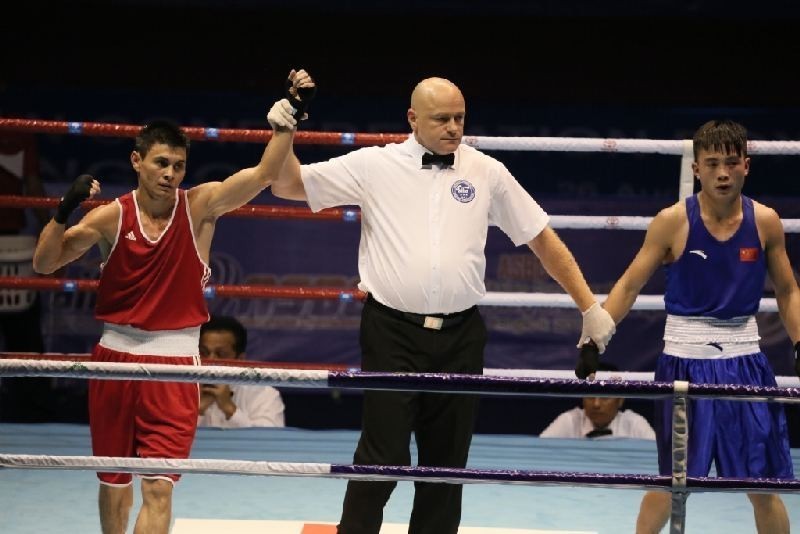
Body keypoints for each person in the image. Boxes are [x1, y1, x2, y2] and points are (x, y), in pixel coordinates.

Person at [271, 76, 616, 534]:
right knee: (382, 457)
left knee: (446, 466)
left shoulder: (486, 171)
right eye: (442, 119)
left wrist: (589, 306)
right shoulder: (375, 165)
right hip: (392, 333)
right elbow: (287, 184)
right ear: (412, 119)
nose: (454, 128)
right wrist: (286, 129)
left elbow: (541, 239)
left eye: (460, 118)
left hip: (460, 336)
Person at [31, 69, 314, 534]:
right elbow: (45, 264)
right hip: (114, 359)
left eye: (178, 166)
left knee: (159, 487)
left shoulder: (201, 205)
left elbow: (264, 174)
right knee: (114, 480)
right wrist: (63, 212)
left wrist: (289, 117)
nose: (170, 173)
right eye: (161, 163)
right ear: (137, 161)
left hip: (176, 361)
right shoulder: (110, 218)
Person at [598, 119, 799, 534]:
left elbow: (787, 290)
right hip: (684, 364)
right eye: (712, 164)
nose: (722, 173)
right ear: (696, 169)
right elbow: (630, 284)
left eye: (731, 162)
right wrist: (593, 338)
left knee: (763, 484)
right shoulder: (672, 222)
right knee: (673, 483)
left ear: (746, 165)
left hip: (745, 362)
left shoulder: (765, 222)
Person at [198, 315, 285, 428]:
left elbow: (270, 438)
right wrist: (198, 410)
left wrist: (230, 409)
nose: (210, 361)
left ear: (240, 359)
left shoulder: (265, 395)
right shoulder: (181, 389)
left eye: (221, 354)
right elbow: (174, 435)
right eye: (204, 352)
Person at [540, 363, 655, 439]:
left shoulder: (634, 424)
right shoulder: (569, 421)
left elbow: (658, 460)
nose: (596, 404)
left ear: (620, 400)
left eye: (605, 397)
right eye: (590, 396)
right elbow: (537, 456)